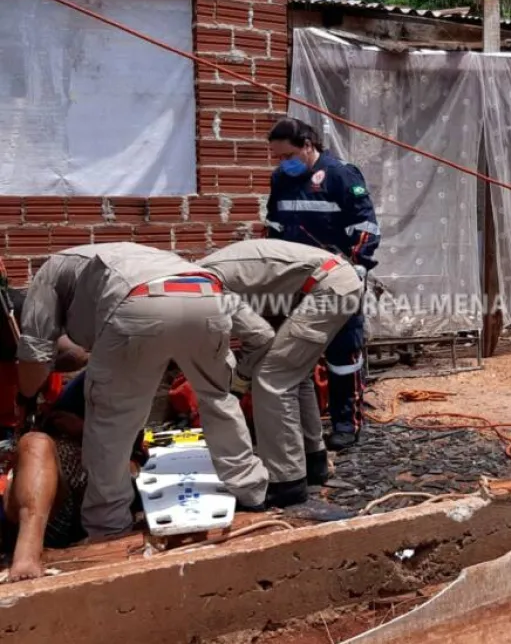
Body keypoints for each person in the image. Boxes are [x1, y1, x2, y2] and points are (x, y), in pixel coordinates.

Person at [15, 242, 278, 540]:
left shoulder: (48, 274)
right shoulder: (158, 260)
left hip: (135, 304)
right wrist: (241, 371)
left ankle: (108, 528)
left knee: (112, 423)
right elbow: (260, 333)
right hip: (207, 295)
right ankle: (252, 493)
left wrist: (25, 397)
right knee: (218, 400)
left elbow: (34, 354)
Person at [201, 239, 363, 503]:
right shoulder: (207, 275)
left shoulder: (204, 287)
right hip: (335, 282)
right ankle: (314, 461)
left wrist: (241, 376)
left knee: (272, 378)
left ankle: (286, 481)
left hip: (327, 286)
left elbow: (260, 336)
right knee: (295, 374)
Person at [264, 118, 380, 451]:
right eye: (276, 158)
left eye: (287, 156)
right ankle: (306, 423)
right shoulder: (281, 181)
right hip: (297, 282)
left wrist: (356, 269)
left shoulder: (341, 176)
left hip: (338, 280)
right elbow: (273, 227)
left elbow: (367, 227)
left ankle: (346, 424)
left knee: (343, 354)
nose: (281, 164)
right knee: (297, 351)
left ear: (308, 146)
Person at [1, 370, 147, 581]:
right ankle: (27, 555)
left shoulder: (128, 392)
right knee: (35, 444)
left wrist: (86, 432)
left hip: (102, 500)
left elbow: (135, 464)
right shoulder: (85, 385)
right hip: (48, 500)